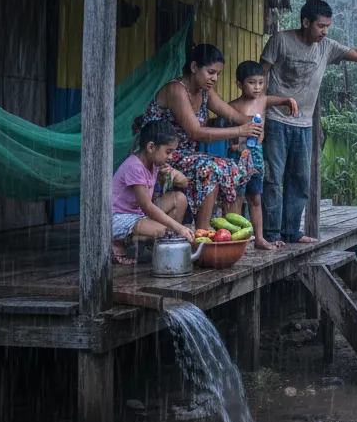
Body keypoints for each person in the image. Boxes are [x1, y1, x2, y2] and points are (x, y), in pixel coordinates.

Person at [260, 0, 357, 248]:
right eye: (321, 26)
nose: (325, 31)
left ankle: (291, 232)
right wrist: (254, 110)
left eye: (328, 26)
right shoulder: (281, 40)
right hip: (276, 120)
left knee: (300, 180)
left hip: (304, 124)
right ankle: (271, 234)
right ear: (306, 22)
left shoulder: (327, 47)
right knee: (273, 178)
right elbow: (259, 75)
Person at [136, 43, 265, 232]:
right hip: (158, 156)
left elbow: (231, 114)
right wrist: (240, 131)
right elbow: (195, 132)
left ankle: (224, 233)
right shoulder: (176, 90)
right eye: (211, 72)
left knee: (230, 166)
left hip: (183, 156)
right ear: (194, 67)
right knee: (211, 167)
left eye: (218, 74)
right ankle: (202, 233)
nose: (215, 78)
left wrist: (255, 125)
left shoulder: (205, 91)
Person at [227, 60, 297, 252]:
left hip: (257, 158)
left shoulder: (263, 100)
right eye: (252, 82)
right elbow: (226, 136)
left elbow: (276, 99)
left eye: (260, 82)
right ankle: (235, 239)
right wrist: (234, 146)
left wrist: (287, 100)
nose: (257, 87)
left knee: (256, 198)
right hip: (238, 158)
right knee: (237, 198)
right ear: (239, 84)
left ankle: (259, 238)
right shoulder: (231, 107)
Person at [111, 119, 192, 265]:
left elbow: (155, 195)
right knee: (167, 232)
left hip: (137, 216)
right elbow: (147, 207)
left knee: (179, 199)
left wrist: (169, 177)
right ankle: (116, 242)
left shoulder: (154, 164)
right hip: (117, 219)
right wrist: (178, 227)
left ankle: (161, 246)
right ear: (151, 147)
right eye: (168, 152)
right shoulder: (134, 166)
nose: (170, 157)